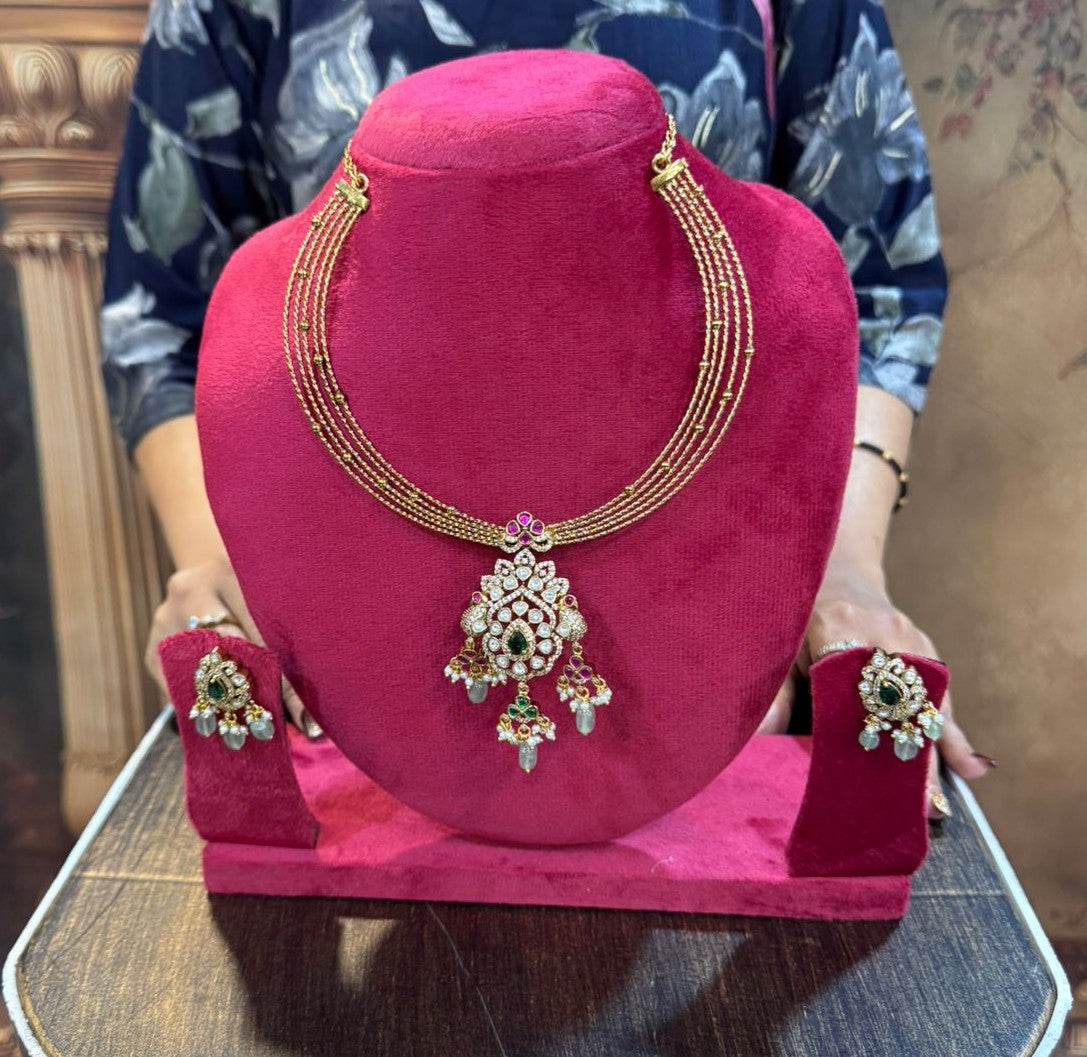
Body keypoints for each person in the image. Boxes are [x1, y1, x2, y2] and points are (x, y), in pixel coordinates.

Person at [101, 0, 995, 813]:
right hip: (338, 630)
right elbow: (162, 315)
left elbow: (876, 287)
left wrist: (837, 573)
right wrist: (226, 559)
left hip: (721, 614)